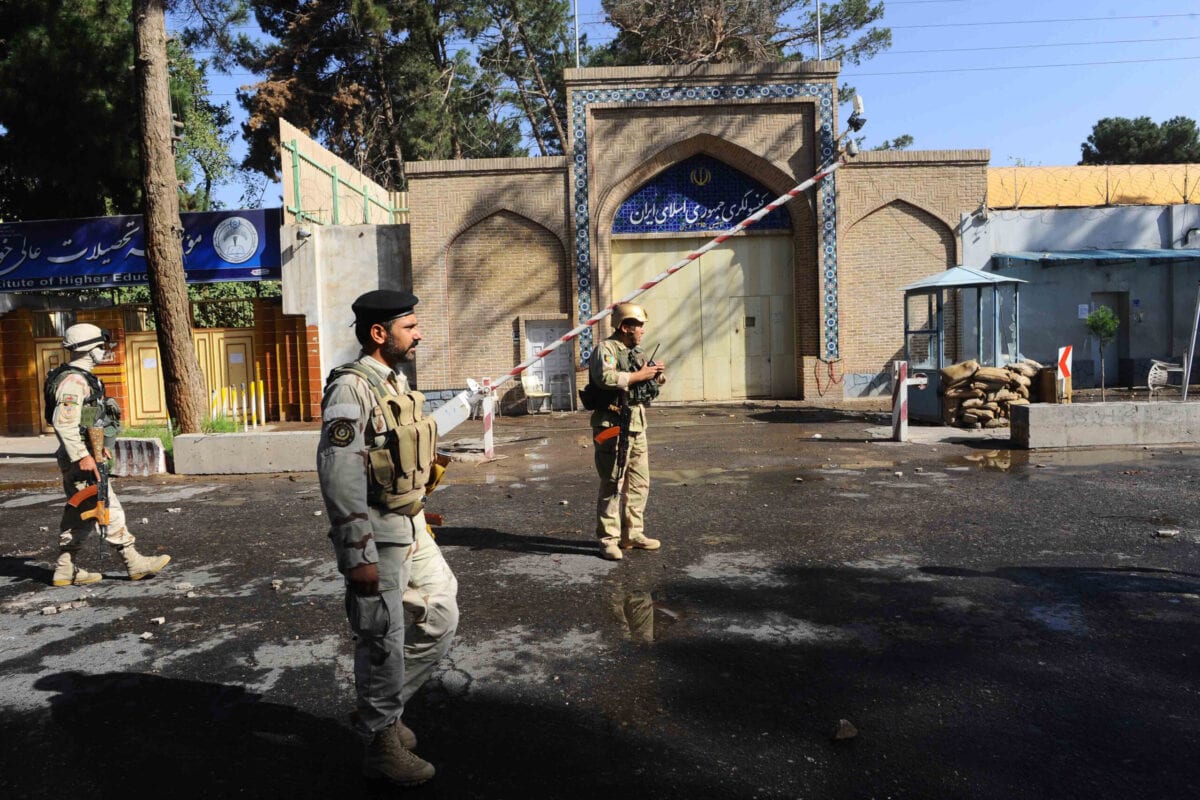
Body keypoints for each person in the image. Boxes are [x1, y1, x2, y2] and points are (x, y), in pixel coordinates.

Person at [316, 289, 459, 788]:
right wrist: (357, 554)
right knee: (382, 637)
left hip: (411, 521)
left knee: (441, 612)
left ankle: (383, 710)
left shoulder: (393, 380)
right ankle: (380, 742)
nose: (419, 333)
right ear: (379, 334)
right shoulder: (350, 390)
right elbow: (339, 476)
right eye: (410, 326)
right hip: (377, 534)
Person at [47, 323, 171, 586]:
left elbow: (88, 418)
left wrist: (96, 446)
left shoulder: (87, 380)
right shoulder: (74, 382)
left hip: (85, 454)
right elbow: (64, 423)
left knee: (81, 511)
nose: (105, 351)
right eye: (101, 347)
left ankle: (64, 569)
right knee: (107, 505)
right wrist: (82, 455)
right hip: (78, 458)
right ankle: (133, 561)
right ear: (90, 350)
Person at [588, 302, 668, 561]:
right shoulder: (606, 349)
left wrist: (655, 374)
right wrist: (640, 375)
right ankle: (608, 539)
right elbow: (606, 378)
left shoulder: (638, 353)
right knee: (612, 482)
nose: (642, 332)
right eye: (638, 327)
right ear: (625, 327)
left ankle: (632, 534)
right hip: (611, 425)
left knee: (639, 483)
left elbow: (647, 380)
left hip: (636, 423)